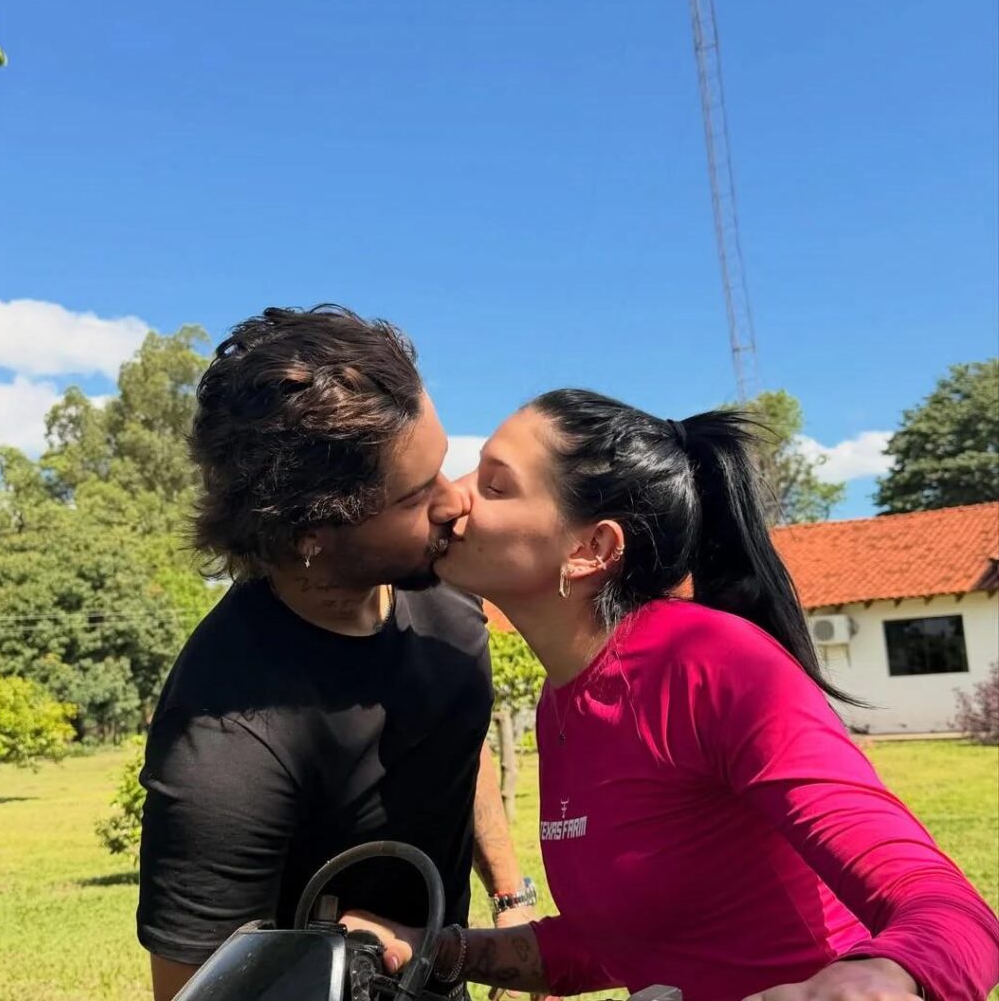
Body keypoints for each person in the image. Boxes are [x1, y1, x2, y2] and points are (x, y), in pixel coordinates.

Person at [342, 389, 999, 1001]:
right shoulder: (562, 701)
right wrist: (430, 946)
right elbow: (617, 941)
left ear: (591, 548)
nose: (452, 498)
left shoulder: (711, 663)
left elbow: (950, 911)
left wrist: (876, 979)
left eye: (494, 485)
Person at [137, 305, 539, 1001]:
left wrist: (509, 896)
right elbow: (192, 990)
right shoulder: (225, 749)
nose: (455, 504)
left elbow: (454, 738)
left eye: (443, 468)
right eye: (416, 495)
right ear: (310, 533)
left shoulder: (447, 590)